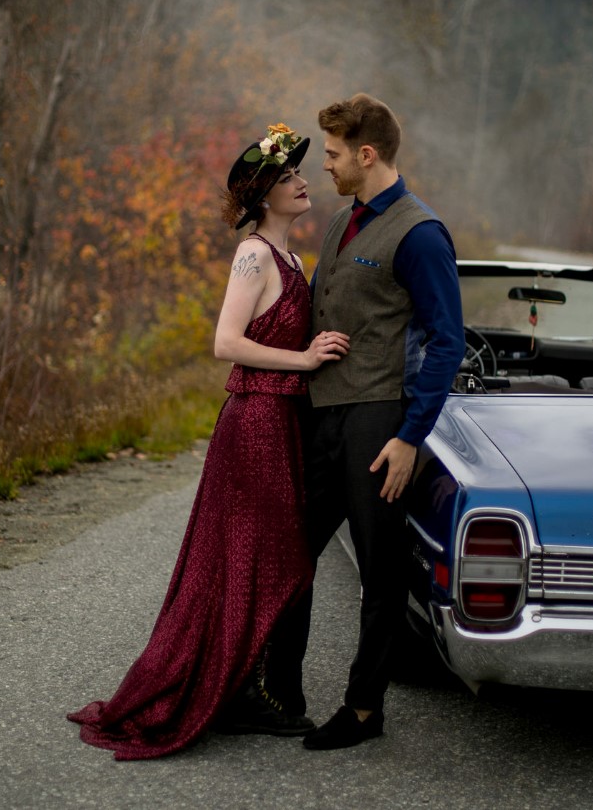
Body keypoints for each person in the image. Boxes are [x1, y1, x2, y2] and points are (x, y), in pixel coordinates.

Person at [67, 123, 349, 760]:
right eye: (288, 178)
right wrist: (304, 361)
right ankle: (241, 690)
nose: (304, 182)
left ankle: (243, 687)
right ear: (263, 196)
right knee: (258, 556)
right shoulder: (253, 255)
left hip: (283, 424)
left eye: (300, 174)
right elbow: (225, 341)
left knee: (261, 557)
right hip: (254, 423)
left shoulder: (293, 258)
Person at [265, 94, 466, 751]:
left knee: (380, 573)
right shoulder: (342, 221)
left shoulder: (420, 234)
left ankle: (361, 710)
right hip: (321, 416)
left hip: (378, 423)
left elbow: (446, 342)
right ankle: (279, 693)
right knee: (290, 553)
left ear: (366, 154)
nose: (323, 164)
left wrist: (409, 437)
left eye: (331, 153)